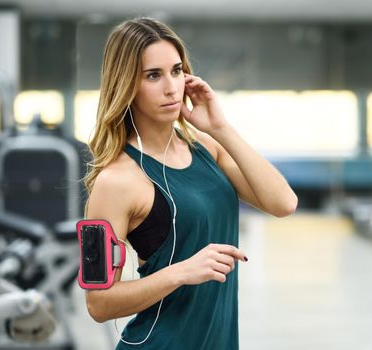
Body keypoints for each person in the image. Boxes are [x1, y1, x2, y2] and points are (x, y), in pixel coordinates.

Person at [83, 17, 298, 349]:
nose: (172, 87)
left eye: (177, 70)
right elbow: (98, 303)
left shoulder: (207, 147)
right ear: (126, 84)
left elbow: (283, 203)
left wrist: (220, 127)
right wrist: (181, 272)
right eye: (153, 75)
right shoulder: (115, 182)